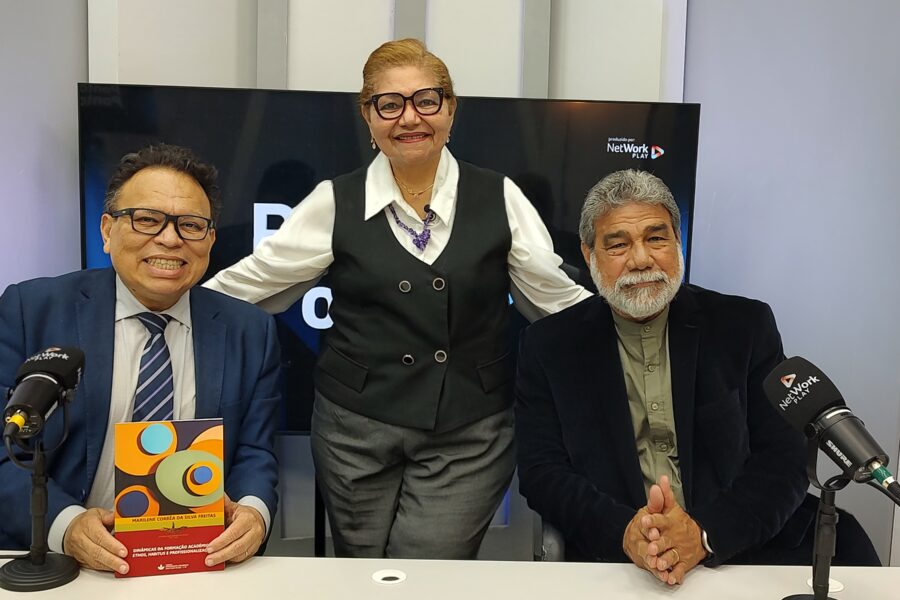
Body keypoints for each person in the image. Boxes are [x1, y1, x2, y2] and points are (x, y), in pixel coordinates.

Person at [206, 38, 591, 559]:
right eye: (389, 104)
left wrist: (631, 326)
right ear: (368, 116)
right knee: (361, 572)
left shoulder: (499, 196)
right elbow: (250, 283)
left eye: (426, 100)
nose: (410, 117)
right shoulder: (333, 200)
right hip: (353, 432)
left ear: (451, 109)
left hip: (470, 432)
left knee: (425, 575)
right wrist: (163, 303)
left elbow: (555, 298)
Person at [515, 169, 880, 583]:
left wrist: (703, 535)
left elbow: (783, 457)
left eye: (656, 238)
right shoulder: (549, 346)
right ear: (588, 254)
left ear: (677, 241)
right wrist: (626, 533)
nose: (641, 259)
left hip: (744, 547)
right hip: (619, 561)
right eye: (618, 244)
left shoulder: (743, 326)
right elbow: (543, 472)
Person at [0, 144, 280, 574]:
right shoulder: (31, 310)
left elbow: (255, 452)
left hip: (198, 561)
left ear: (210, 240)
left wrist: (254, 513)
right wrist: (66, 526)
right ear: (107, 230)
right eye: (147, 219)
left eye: (191, 225)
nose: (170, 238)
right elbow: (4, 451)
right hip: (62, 564)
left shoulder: (250, 331)